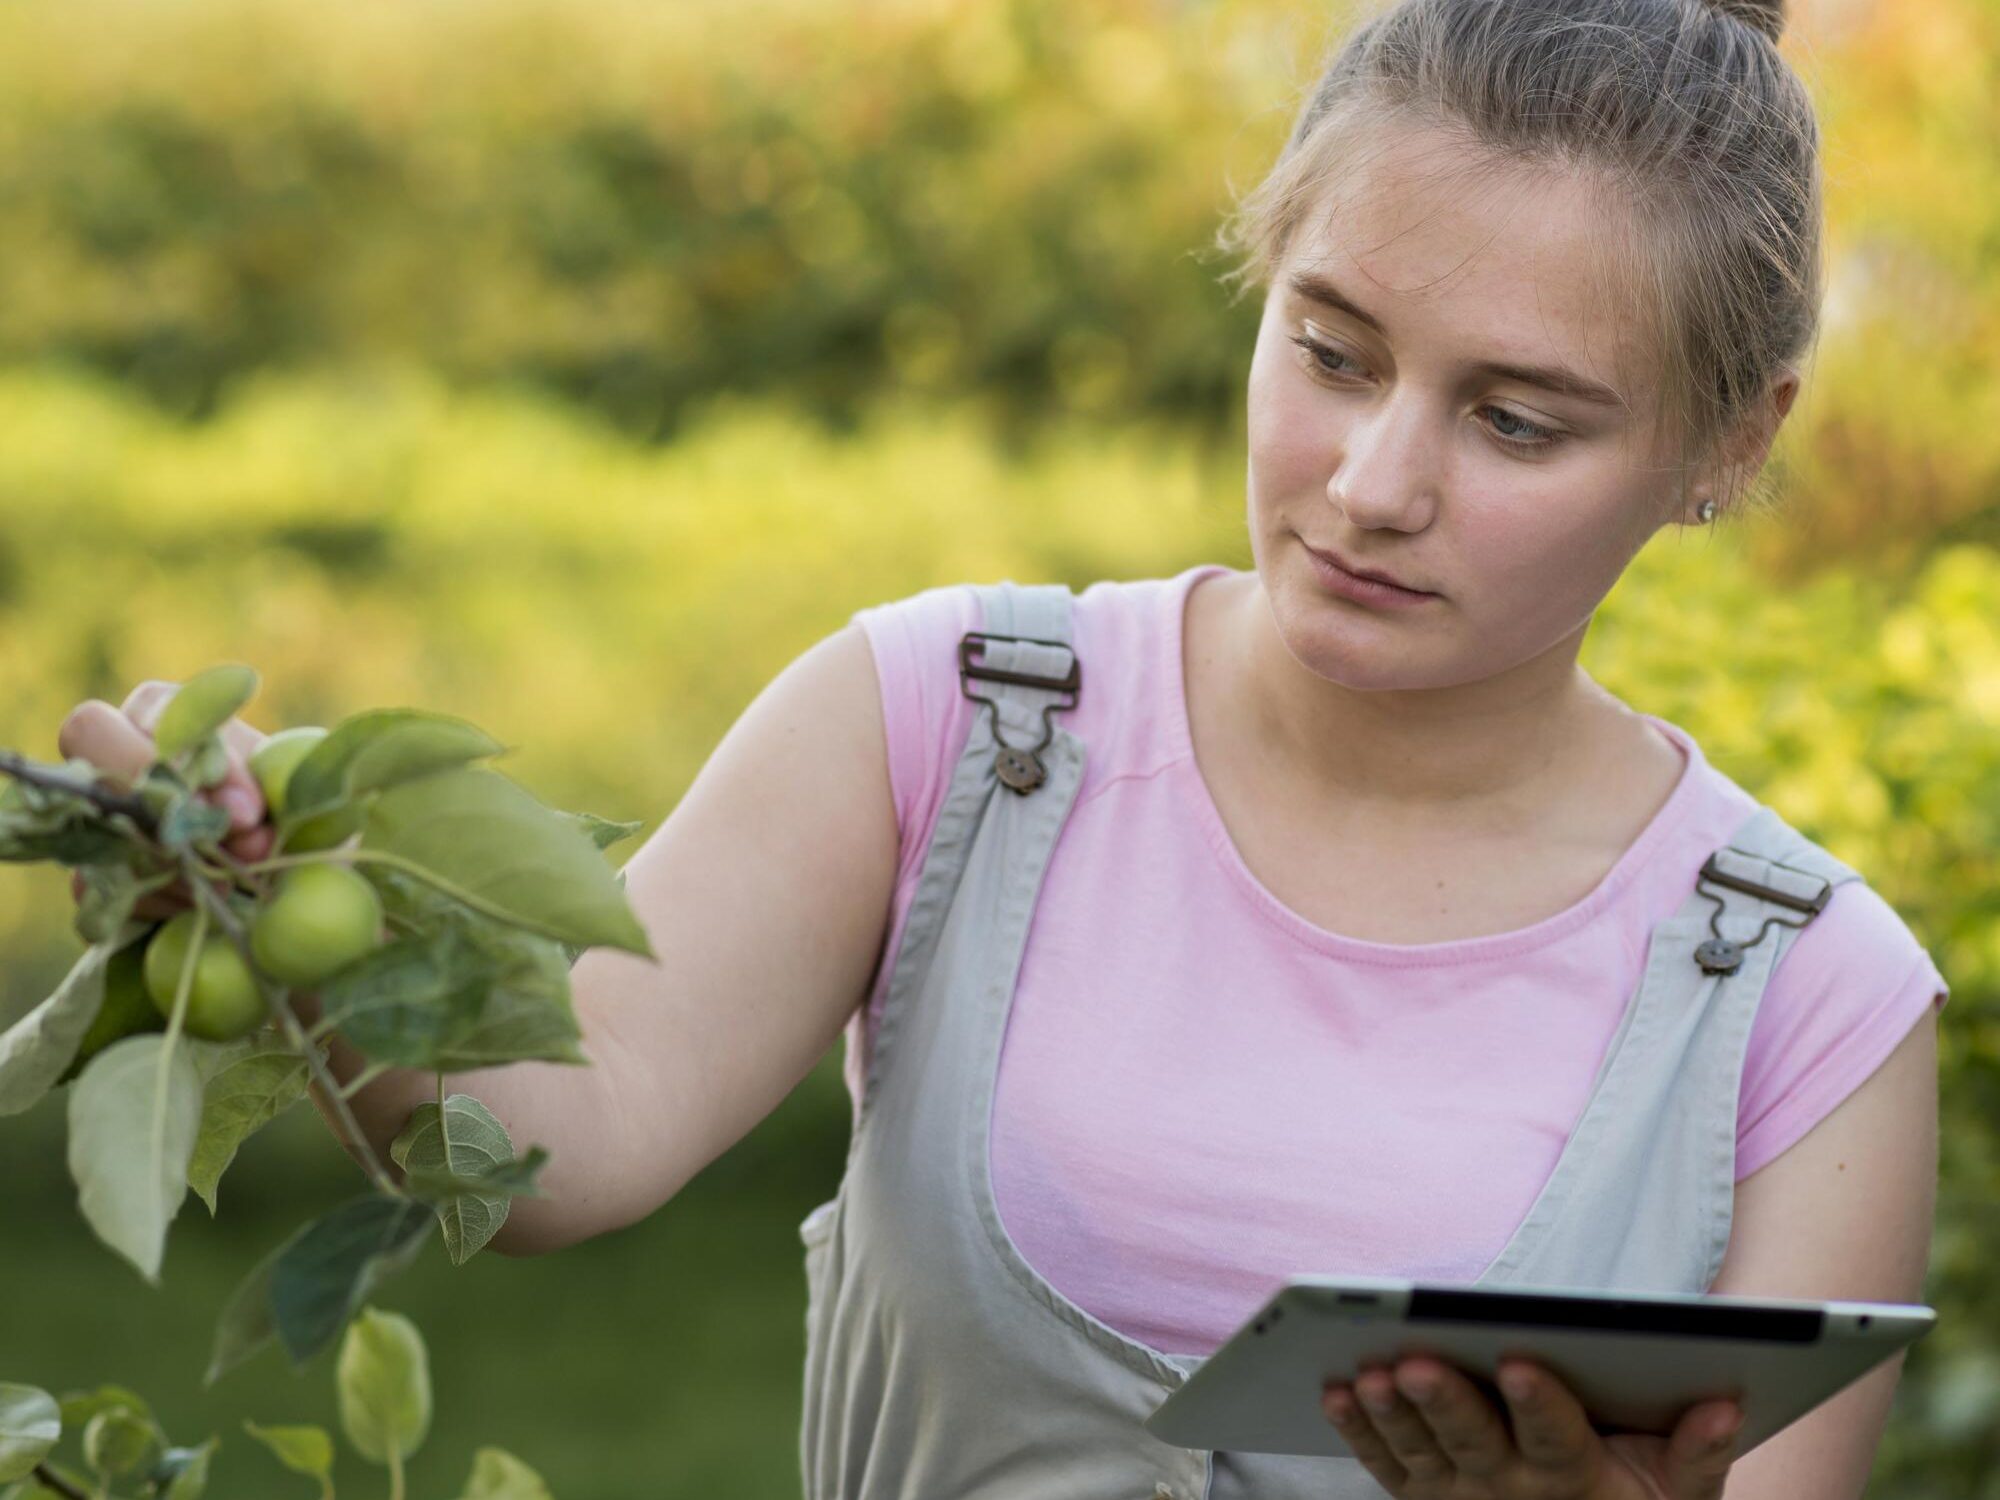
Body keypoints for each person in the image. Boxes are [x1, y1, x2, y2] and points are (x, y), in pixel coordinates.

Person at [58, 0, 1946, 1496]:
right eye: (1335, 351)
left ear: (1730, 442)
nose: (1375, 487)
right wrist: (311, 890)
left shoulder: (1805, 997)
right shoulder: (961, 722)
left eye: (1519, 424)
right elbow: (553, 1142)